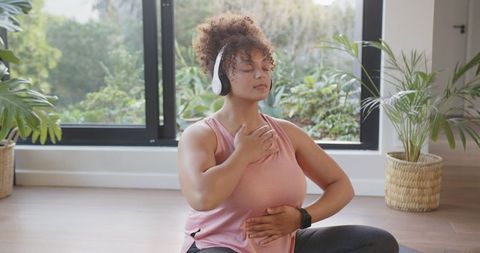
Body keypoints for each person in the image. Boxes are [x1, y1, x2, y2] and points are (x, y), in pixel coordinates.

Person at [177, 14, 399, 253]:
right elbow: (202, 198)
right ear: (221, 77)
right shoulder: (201, 135)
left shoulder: (287, 133)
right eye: (248, 68)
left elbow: (341, 186)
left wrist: (301, 218)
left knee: (378, 242)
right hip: (218, 245)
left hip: (285, 246)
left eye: (265, 66)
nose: (261, 74)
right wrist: (243, 154)